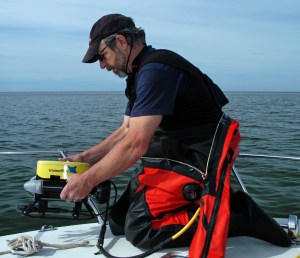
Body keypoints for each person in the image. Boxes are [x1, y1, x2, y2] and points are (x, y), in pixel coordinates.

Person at [60, 13, 230, 250]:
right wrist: (85, 159)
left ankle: (237, 212)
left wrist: (87, 181)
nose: (101, 65)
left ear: (121, 41)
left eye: (101, 56)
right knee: (118, 221)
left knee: (140, 230)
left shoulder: (156, 70)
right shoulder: (139, 74)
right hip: (171, 154)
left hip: (195, 157)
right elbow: (126, 130)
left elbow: (136, 144)